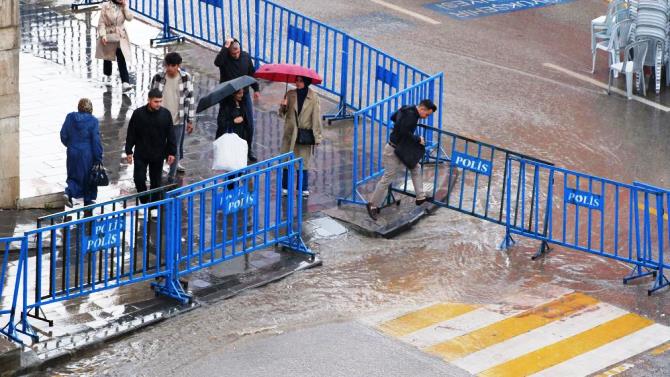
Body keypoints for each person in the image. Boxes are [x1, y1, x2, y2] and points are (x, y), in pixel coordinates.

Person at [365, 99, 437, 221]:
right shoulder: (412, 116)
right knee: (387, 178)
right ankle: (372, 204)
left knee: (415, 167)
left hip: (399, 148)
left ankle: (420, 196)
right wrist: (417, 139)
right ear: (422, 109)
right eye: (427, 114)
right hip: (393, 150)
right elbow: (404, 131)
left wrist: (400, 125)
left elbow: (393, 117)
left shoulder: (406, 107)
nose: (426, 117)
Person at [150, 52, 195, 183]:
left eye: (172, 65)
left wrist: (190, 120)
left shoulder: (186, 78)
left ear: (178, 65)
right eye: (167, 65)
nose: (169, 68)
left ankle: (171, 175)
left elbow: (190, 99)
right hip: (159, 120)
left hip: (178, 120)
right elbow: (151, 97)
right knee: (158, 147)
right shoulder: (158, 77)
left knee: (174, 149)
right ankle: (156, 173)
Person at [125, 89, 177, 203]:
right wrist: (129, 151)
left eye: (160, 101)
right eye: (155, 101)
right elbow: (131, 133)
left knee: (156, 182)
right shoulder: (138, 114)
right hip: (141, 154)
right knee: (138, 179)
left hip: (158, 154)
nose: (158, 104)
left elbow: (171, 134)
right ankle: (144, 202)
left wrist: (172, 152)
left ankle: (153, 205)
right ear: (149, 100)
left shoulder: (165, 114)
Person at [214, 37, 260, 162]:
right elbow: (217, 62)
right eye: (233, 53)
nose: (236, 55)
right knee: (223, 123)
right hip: (227, 95)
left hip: (243, 94)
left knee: (249, 124)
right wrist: (225, 46)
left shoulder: (245, 57)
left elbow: (251, 73)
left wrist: (256, 89)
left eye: (237, 52)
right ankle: (219, 147)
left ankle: (248, 149)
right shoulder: (224, 58)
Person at [278, 76, 323, 197]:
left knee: (303, 162)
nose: (297, 83)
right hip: (290, 133)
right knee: (287, 160)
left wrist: (317, 137)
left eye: (300, 81)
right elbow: (282, 114)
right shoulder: (290, 94)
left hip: (304, 134)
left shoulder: (314, 97)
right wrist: (283, 106)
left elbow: (316, 118)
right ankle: (285, 187)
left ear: (306, 82)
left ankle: (303, 188)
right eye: (296, 80)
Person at [60, 98, 104, 207]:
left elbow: (63, 134)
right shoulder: (93, 121)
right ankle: (88, 202)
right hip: (86, 154)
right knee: (88, 178)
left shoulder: (70, 117)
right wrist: (98, 157)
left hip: (72, 151)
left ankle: (68, 192)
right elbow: (95, 140)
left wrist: (70, 145)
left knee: (73, 175)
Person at [96, 0, 133, 92]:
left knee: (121, 57)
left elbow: (129, 18)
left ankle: (125, 82)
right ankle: (108, 75)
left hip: (120, 36)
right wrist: (103, 35)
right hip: (109, 34)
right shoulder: (106, 6)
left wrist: (125, 7)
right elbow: (101, 23)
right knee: (108, 57)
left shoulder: (123, 6)